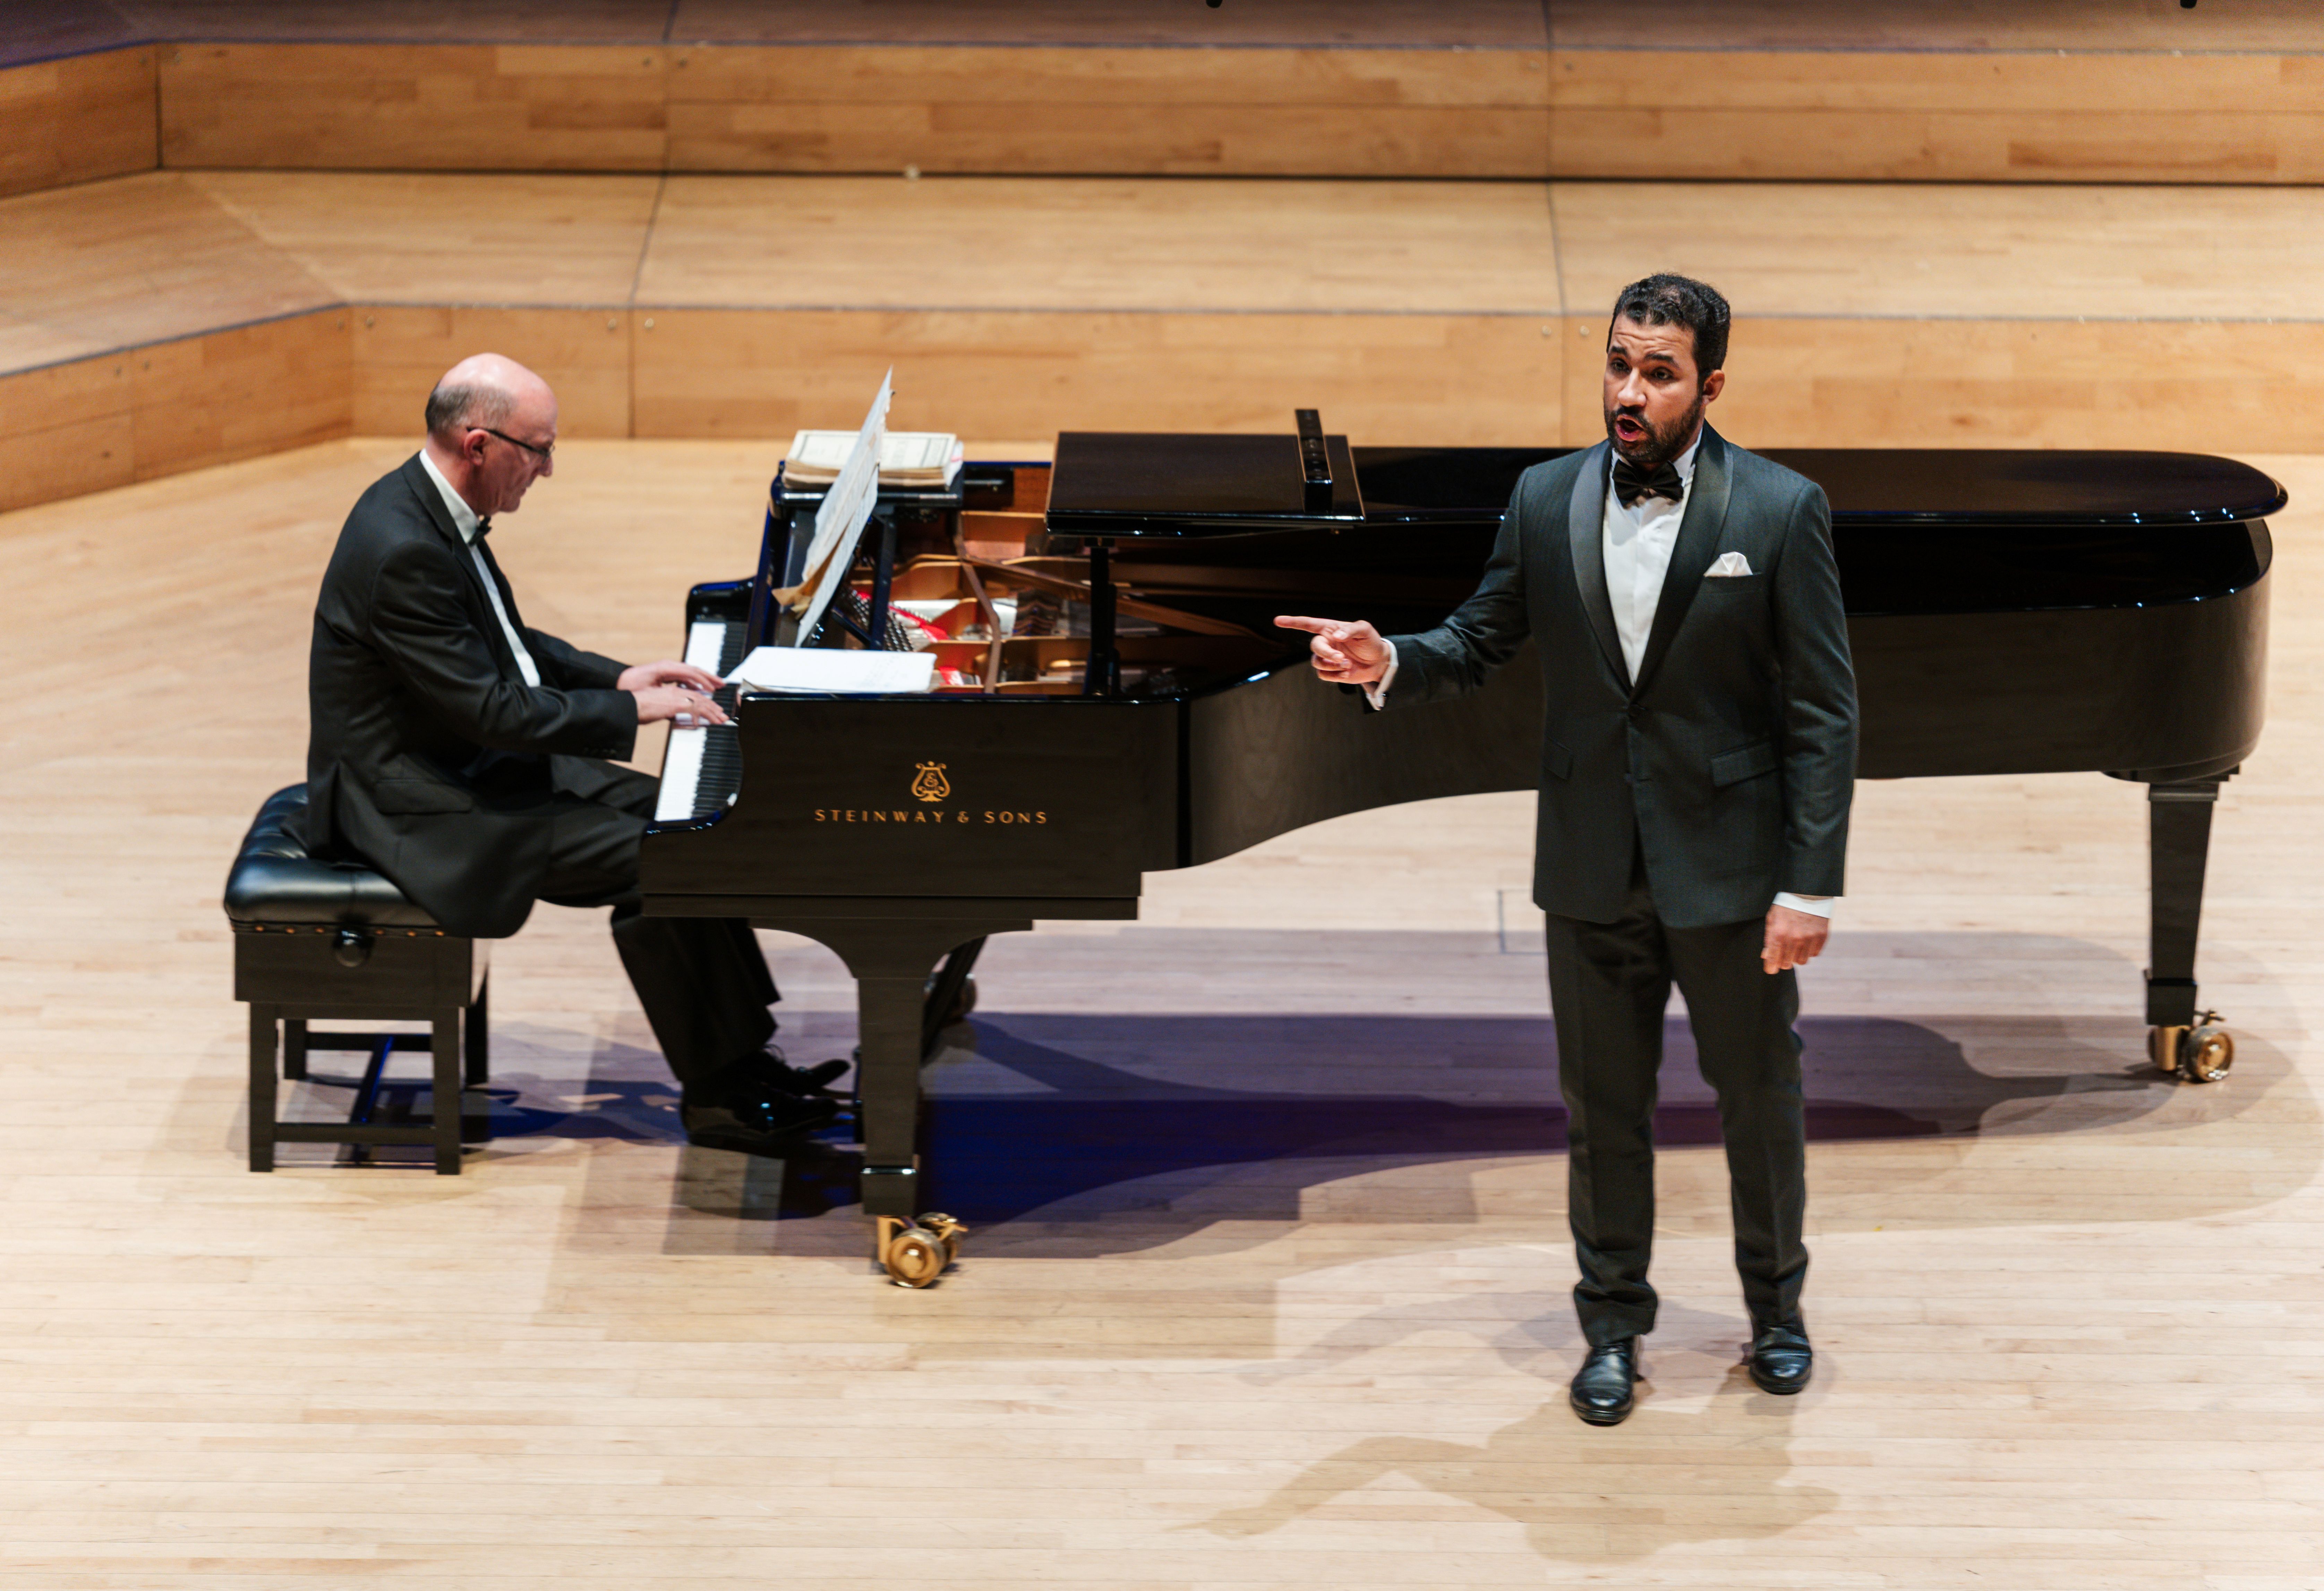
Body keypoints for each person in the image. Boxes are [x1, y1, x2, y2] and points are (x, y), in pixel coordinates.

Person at [1276, 275, 1856, 1426]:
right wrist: (1385, 657)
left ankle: (1777, 1314)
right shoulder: (1545, 497)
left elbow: (1822, 713)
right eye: (1617, 365)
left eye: (1658, 372)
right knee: (1602, 1108)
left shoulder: (1782, 511)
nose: (1629, 392)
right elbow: (1481, 635)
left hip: (1732, 869)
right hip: (1591, 859)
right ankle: (1612, 1328)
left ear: (1712, 384)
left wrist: (1808, 880)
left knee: (1757, 1097)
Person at [298, 352, 844, 1156]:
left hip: (461, 764)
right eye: (538, 450)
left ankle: (746, 1061)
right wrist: (630, 710)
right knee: (658, 860)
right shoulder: (402, 547)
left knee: (689, 825)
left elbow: (509, 644)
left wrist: (619, 675)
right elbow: (493, 709)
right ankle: (720, 1098)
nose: (547, 470)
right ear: (479, 444)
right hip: (416, 804)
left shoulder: (430, 507)